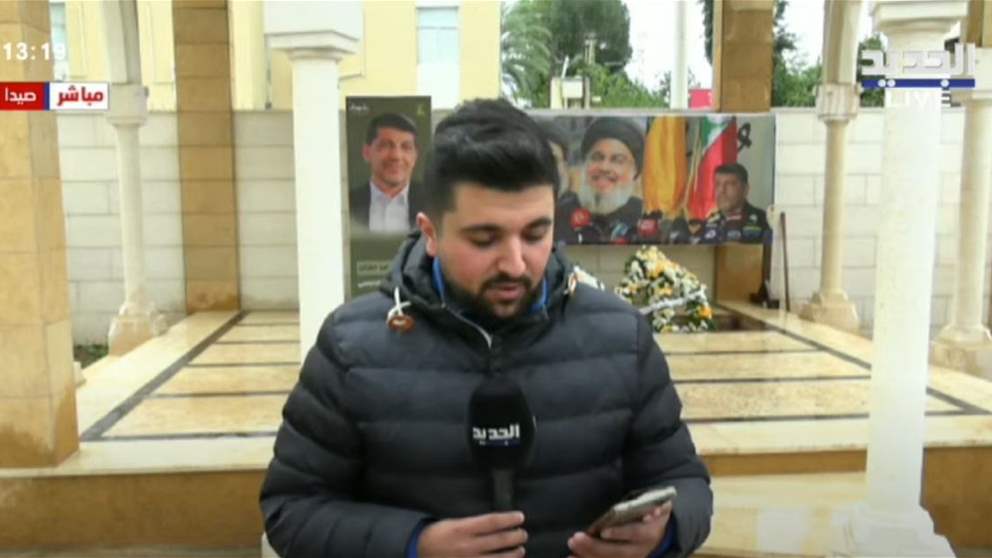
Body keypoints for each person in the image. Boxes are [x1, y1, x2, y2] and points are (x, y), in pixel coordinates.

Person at [260, 99, 712, 558]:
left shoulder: (622, 338)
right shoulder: (350, 347)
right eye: (484, 239)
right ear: (430, 232)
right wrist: (416, 545)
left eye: (535, 234)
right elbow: (291, 509)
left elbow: (686, 482)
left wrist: (665, 532)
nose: (515, 263)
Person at [555, 117, 646, 244]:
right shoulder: (558, 215)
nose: (604, 167)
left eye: (617, 160)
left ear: (635, 171)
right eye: (596, 158)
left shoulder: (645, 216)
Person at [351, 112, 426, 234]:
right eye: (385, 145)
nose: (396, 156)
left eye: (406, 147)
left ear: (415, 156)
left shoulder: (434, 203)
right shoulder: (348, 203)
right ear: (366, 152)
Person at [693, 163, 770, 244]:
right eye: (717, 184)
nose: (721, 190)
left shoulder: (764, 221)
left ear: (745, 189)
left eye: (729, 184)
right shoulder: (707, 224)